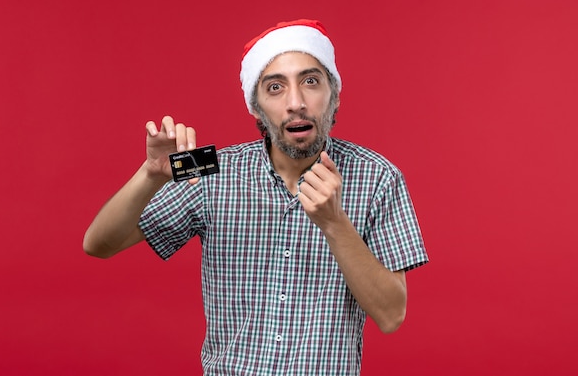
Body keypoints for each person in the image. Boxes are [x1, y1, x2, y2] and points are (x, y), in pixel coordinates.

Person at [84, 19, 428, 375]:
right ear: (256, 107)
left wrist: (334, 223)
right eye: (275, 87)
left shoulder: (378, 176)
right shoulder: (209, 166)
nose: (296, 102)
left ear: (334, 94)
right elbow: (99, 244)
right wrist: (149, 175)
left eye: (311, 81)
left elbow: (391, 316)